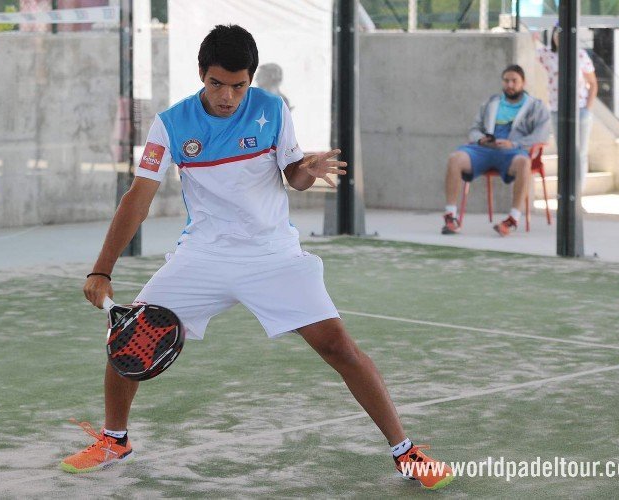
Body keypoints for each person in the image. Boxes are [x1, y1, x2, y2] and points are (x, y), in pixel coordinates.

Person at [61, 25, 453, 490]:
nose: (227, 96)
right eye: (216, 84)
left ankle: (405, 452)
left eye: (238, 85)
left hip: (272, 255)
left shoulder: (271, 108)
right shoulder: (170, 123)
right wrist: (102, 269)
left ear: (251, 79)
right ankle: (114, 439)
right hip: (203, 256)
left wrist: (307, 171)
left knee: (339, 347)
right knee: (130, 339)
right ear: (201, 75)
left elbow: (293, 175)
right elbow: (138, 198)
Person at [442, 64, 550, 237]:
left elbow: (541, 136)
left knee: (524, 163)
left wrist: (514, 144)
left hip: (512, 151)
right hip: (484, 149)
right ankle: (450, 216)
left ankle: (513, 219)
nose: (510, 85)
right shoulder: (491, 103)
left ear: (523, 83)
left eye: (514, 81)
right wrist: (480, 138)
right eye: (506, 81)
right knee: (455, 158)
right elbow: (474, 129)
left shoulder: (536, 106)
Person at [536, 23, 597, 192]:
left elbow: (592, 83)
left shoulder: (580, 55)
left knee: (580, 153)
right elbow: (532, 49)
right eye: (557, 33)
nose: (559, 37)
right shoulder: (548, 55)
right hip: (557, 109)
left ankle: (577, 193)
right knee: (563, 152)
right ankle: (564, 192)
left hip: (580, 109)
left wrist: (588, 108)